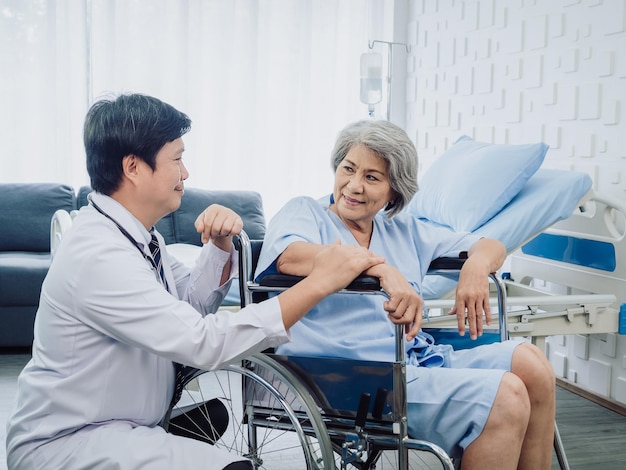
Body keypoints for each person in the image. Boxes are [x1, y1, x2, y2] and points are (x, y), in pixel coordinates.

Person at [5, 94, 386, 470]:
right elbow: (202, 341)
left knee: (210, 421)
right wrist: (319, 283)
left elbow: (186, 307)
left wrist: (220, 246)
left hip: (123, 420)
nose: (185, 173)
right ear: (134, 168)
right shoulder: (99, 255)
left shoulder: (139, 237)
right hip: (70, 440)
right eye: (177, 159)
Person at [255, 119, 556, 469]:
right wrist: (381, 269)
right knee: (506, 396)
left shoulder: (406, 230)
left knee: (531, 364)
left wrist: (475, 267)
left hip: (410, 361)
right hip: (344, 375)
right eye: (348, 169)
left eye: (372, 177)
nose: (354, 186)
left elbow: (490, 245)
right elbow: (289, 256)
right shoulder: (306, 212)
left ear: (394, 191)